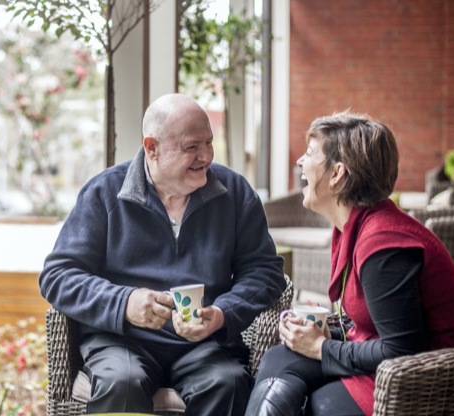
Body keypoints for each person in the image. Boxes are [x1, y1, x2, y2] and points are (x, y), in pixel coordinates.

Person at [39, 93, 285, 415]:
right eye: (191, 147)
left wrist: (223, 313)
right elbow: (58, 276)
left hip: (205, 343)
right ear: (151, 148)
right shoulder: (104, 193)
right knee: (121, 384)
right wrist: (124, 303)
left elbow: (265, 272)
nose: (206, 156)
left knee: (228, 383)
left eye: (209, 143)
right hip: (121, 340)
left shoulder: (235, 193)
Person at [244, 112, 454, 416]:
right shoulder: (355, 227)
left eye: (309, 153)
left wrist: (320, 347)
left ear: (337, 174)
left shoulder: (383, 243)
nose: (300, 163)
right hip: (386, 366)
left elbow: (402, 350)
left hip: (430, 383)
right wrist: (319, 335)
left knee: (321, 403)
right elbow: (374, 323)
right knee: (280, 359)